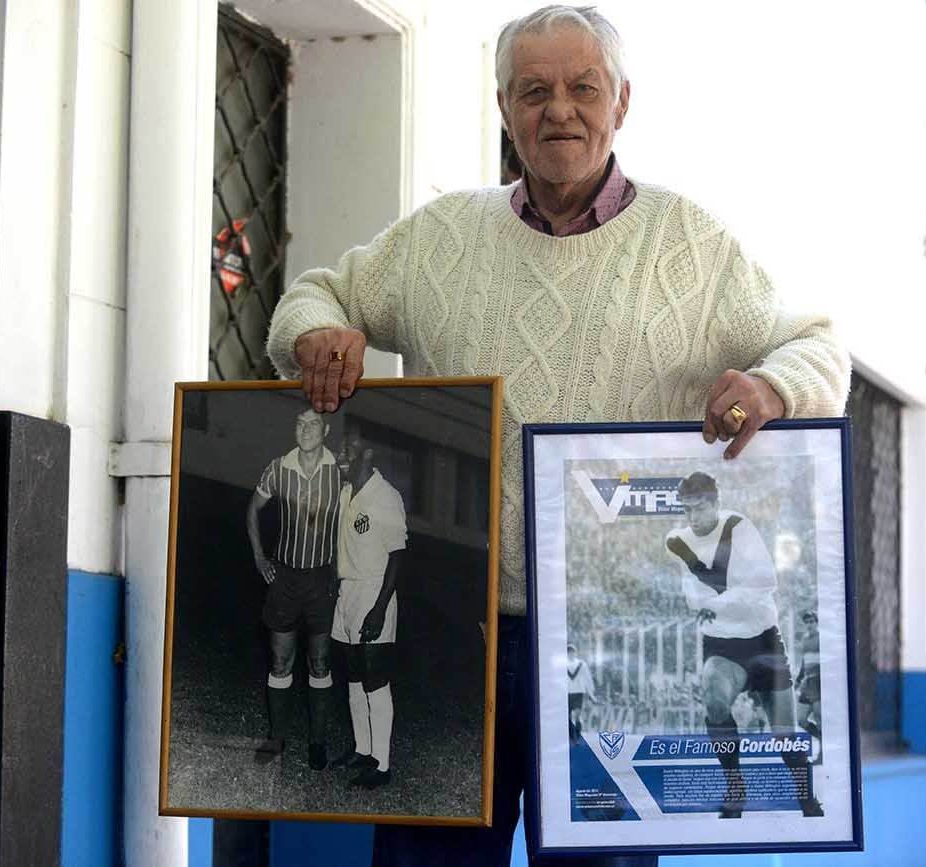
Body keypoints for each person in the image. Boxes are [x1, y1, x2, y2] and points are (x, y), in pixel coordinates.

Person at [266, 5, 849, 862]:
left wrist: (770, 385)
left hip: (609, 647)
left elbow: (818, 343)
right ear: (503, 106)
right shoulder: (440, 237)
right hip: (452, 632)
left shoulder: (692, 244)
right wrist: (319, 333)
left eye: (583, 88)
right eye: (535, 90)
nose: (560, 110)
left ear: (622, 101)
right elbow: (312, 296)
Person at [664, 471, 822, 818]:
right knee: (713, 697)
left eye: (701, 508)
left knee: (784, 734)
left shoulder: (738, 526)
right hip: (722, 646)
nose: (695, 518)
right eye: (688, 510)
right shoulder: (676, 540)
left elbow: (765, 581)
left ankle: (806, 798)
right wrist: (734, 594)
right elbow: (693, 599)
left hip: (763, 641)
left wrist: (719, 601)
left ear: (716, 504)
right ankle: (735, 786)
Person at [246, 408, 341, 771]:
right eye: (300, 423)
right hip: (284, 579)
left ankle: (317, 742)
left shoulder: (340, 473)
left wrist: (343, 571)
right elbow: (251, 509)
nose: (306, 430)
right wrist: (259, 557)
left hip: (320, 581)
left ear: (325, 430)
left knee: (319, 664)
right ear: (294, 428)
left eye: (313, 423)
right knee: (281, 661)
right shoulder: (278, 468)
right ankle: (277, 737)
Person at [328, 425, 408, 789]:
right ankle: (363, 749)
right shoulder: (347, 491)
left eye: (351, 447)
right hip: (347, 593)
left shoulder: (385, 497)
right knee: (354, 676)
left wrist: (379, 609)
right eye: (341, 448)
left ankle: (383, 764)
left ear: (369, 453)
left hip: (375, 592)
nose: (343, 453)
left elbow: (397, 558)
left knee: (375, 680)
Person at [566, 643, 596, 743]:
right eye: (569, 651)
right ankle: (572, 736)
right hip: (568, 693)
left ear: (575, 653)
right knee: (569, 716)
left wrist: (591, 693)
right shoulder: (563, 664)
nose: (571, 653)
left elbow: (587, 679)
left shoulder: (581, 664)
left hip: (578, 692)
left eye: (572, 651)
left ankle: (577, 735)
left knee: (577, 715)